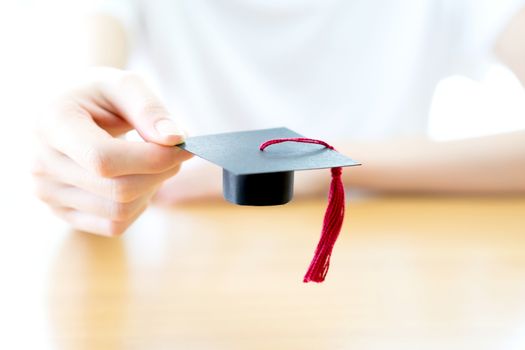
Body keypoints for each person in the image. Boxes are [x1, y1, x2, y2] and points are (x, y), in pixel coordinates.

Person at [33, 0, 525, 237]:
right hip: (191, 245)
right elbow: (88, 74)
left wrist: (320, 167)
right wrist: (75, 136)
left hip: (388, 247)